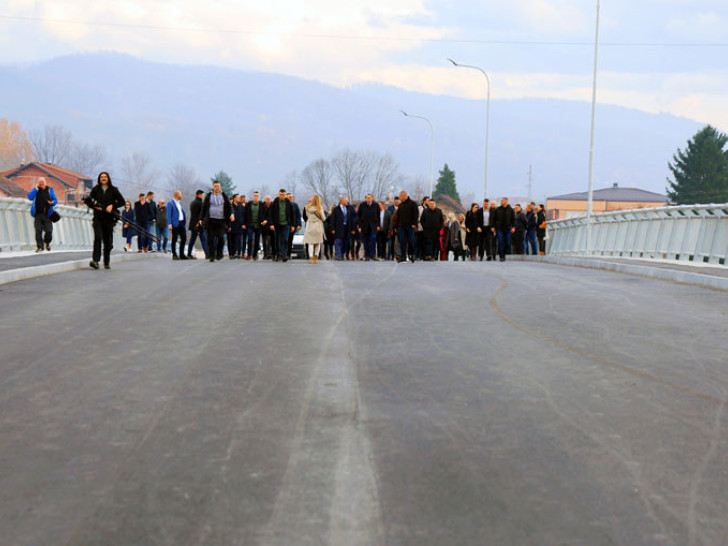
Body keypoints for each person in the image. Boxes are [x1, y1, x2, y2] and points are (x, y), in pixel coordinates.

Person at [84, 171, 125, 269]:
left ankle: (106, 262)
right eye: (101, 177)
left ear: (108, 179)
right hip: (98, 218)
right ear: (99, 179)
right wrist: (94, 207)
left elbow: (122, 202)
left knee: (108, 241)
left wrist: (112, 206)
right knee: (98, 238)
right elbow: (88, 201)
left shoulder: (113, 190)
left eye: (105, 177)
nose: (103, 178)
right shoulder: (95, 189)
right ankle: (95, 261)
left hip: (109, 218)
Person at [201, 180, 234, 263]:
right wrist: (201, 219)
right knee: (210, 239)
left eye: (218, 186)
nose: (217, 188)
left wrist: (232, 214)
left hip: (221, 220)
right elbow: (204, 207)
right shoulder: (209, 195)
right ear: (213, 187)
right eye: (215, 186)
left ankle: (219, 253)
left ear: (220, 187)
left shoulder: (223, 195)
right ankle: (212, 255)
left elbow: (229, 206)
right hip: (211, 220)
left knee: (221, 238)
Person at [27, 177, 58, 253]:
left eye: (42, 182)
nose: (41, 184)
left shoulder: (50, 190)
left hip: (47, 214)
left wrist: (52, 202)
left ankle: (47, 242)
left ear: (45, 183)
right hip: (38, 214)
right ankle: (40, 247)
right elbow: (29, 197)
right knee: (38, 231)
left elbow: (55, 200)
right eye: (40, 182)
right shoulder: (36, 190)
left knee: (49, 231)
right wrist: (35, 189)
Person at [270, 188, 295, 262]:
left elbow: (292, 214)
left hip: (286, 224)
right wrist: (271, 224)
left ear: (285, 195)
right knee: (277, 239)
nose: (282, 196)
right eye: (281, 194)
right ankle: (278, 254)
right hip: (277, 224)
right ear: (279, 194)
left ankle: (284, 254)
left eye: (283, 195)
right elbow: (271, 214)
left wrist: (292, 225)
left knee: (285, 239)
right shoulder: (275, 202)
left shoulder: (288, 202)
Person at [329, 195, 357, 260]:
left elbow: (352, 219)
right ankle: (338, 255)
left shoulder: (348, 208)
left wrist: (353, 229)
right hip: (338, 228)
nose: (347, 202)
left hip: (347, 228)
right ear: (342, 201)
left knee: (346, 242)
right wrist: (332, 228)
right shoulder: (336, 209)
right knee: (338, 241)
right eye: (346, 201)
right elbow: (332, 219)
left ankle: (342, 254)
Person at [395, 190, 419, 263]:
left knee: (411, 240)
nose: (400, 198)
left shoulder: (413, 203)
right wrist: (396, 227)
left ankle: (411, 254)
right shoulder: (401, 205)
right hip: (401, 226)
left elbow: (416, 214)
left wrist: (414, 224)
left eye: (400, 196)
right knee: (402, 241)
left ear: (404, 196)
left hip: (410, 226)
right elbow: (398, 216)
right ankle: (403, 256)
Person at [303, 195, 325, 263]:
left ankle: (310, 257)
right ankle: (316, 256)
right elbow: (323, 218)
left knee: (310, 243)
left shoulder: (307, 208)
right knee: (318, 242)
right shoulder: (320, 208)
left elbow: (306, 216)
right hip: (318, 226)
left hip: (309, 225)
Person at [492, 197, 515, 262]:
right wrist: (493, 227)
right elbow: (494, 219)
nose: (501, 202)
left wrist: (513, 227)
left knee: (508, 242)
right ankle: (501, 256)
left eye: (502, 201)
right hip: (499, 228)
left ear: (506, 201)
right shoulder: (498, 209)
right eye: (501, 201)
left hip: (508, 228)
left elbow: (513, 219)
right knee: (500, 241)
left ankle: (504, 253)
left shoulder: (511, 209)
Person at [357, 193, 380, 261]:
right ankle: (367, 255)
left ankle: (373, 255)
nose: (368, 199)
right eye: (367, 198)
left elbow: (378, 216)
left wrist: (378, 225)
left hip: (373, 226)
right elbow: (359, 216)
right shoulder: (362, 205)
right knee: (366, 241)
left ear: (372, 198)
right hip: (364, 226)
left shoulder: (376, 205)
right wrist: (359, 226)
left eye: (370, 198)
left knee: (373, 239)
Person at [187, 189, 207, 260]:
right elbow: (201, 214)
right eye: (202, 195)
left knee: (193, 240)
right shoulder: (200, 203)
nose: (203, 196)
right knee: (203, 239)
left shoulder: (193, 203)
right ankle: (207, 254)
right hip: (198, 224)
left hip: (193, 224)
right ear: (199, 195)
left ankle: (189, 254)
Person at [167, 190, 187, 260]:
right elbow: (168, 214)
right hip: (175, 223)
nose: (181, 195)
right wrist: (169, 224)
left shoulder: (179, 203)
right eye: (180, 194)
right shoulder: (170, 203)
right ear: (177, 195)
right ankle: (174, 254)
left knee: (184, 238)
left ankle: (182, 254)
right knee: (174, 239)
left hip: (181, 223)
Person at [243, 191, 263, 260]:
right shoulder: (248, 204)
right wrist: (244, 224)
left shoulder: (261, 204)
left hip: (258, 225)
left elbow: (264, 214)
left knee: (257, 241)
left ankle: (255, 254)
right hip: (250, 225)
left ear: (259, 197)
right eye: (255, 196)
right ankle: (249, 254)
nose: (256, 197)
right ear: (253, 197)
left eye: (257, 196)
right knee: (250, 239)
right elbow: (244, 214)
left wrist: (264, 220)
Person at [286, 193, 302, 260]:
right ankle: (283, 253)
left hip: (292, 225)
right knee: (284, 240)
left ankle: (288, 254)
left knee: (290, 240)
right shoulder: (284, 204)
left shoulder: (295, 205)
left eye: (291, 197)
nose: (291, 198)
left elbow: (298, 216)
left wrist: (299, 224)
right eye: (289, 197)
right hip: (285, 225)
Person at [230, 193, 246, 259]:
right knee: (232, 240)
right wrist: (228, 226)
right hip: (232, 226)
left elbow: (244, 216)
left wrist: (244, 224)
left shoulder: (242, 207)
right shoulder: (230, 207)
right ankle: (232, 253)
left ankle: (239, 253)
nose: (239, 198)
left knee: (239, 240)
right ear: (234, 198)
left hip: (240, 226)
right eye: (238, 197)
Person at [260, 195, 274, 259]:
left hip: (271, 226)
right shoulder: (262, 206)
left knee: (270, 241)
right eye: (267, 199)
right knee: (264, 241)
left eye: (269, 199)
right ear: (265, 200)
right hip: (263, 226)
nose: (268, 200)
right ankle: (265, 253)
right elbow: (260, 214)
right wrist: (263, 220)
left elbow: (272, 215)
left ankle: (270, 253)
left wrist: (267, 220)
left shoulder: (273, 206)